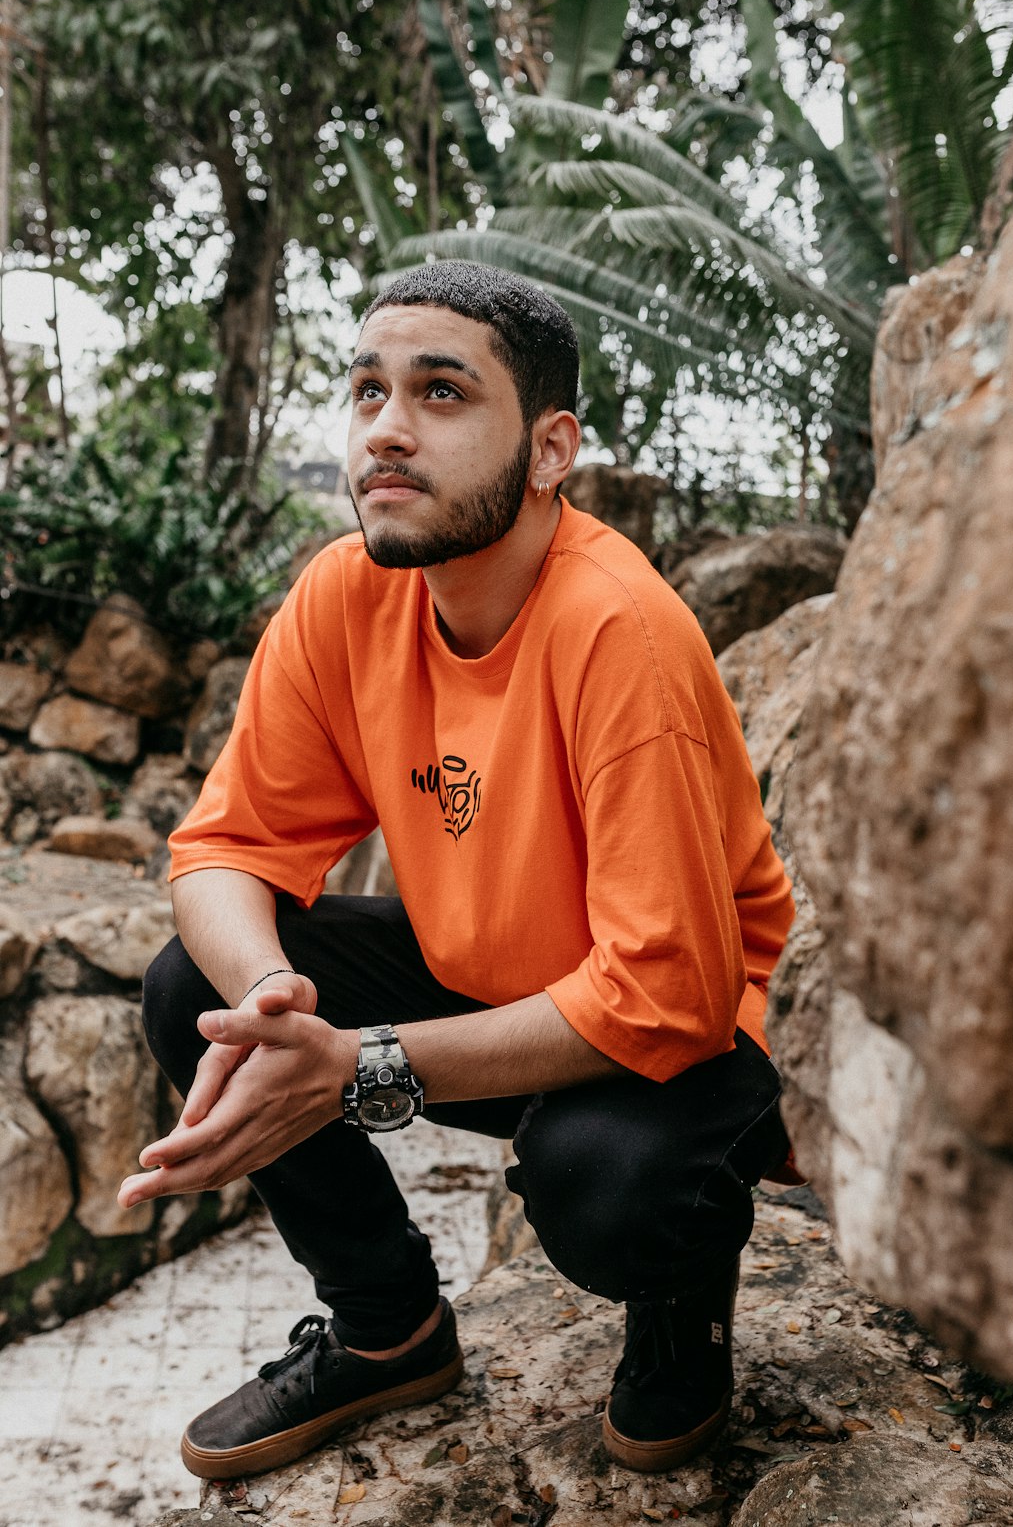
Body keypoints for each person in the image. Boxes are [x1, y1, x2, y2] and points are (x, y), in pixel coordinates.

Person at [118, 262, 795, 1484]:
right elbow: (223, 850)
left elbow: (667, 994)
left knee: (605, 1193)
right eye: (368, 389)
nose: (386, 426)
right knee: (191, 986)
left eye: (441, 393)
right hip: (484, 991)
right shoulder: (346, 596)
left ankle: (684, 1307)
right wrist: (277, 1009)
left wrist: (357, 1068)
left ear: (549, 449)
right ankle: (390, 1330)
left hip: (687, 1041)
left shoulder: (616, 630)